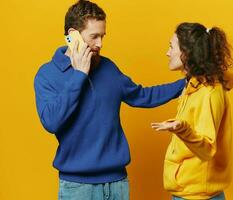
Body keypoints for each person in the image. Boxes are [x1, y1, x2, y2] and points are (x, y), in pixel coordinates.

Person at [33, 0, 186, 199]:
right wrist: (79, 75)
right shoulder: (47, 74)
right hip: (77, 187)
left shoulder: (108, 68)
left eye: (102, 36)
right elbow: (51, 122)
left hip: (117, 184)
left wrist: (186, 83)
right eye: (94, 36)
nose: (100, 44)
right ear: (73, 36)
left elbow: (142, 96)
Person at [151, 22, 233, 200]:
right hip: (189, 192)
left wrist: (181, 129)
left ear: (186, 53)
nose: (167, 53)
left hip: (198, 196)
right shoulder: (194, 86)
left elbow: (207, 149)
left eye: (171, 47)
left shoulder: (208, 93)